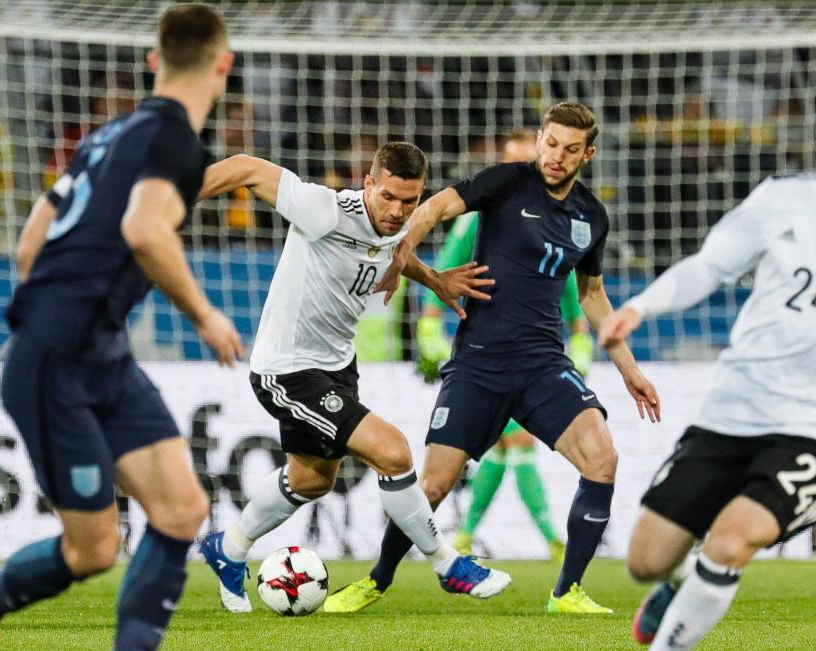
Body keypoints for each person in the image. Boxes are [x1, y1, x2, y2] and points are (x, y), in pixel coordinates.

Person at [599, 70, 816, 650]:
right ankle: (681, 584)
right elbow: (710, 266)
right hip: (733, 412)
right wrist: (640, 307)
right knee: (645, 560)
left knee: (732, 541)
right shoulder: (779, 199)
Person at [325, 101, 661, 615]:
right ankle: (377, 579)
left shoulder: (591, 216)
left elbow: (592, 295)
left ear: (586, 154)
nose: (556, 156)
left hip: (543, 366)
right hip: (479, 364)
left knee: (603, 459)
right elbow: (434, 206)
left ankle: (567, 591)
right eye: (550, 143)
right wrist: (401, 252)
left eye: (570, 149)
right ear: (541, 139)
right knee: (432, 486)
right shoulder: (506, 182)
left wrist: (630, 369)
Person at [0, 5, 242, 651]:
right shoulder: (179, 143)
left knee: (182, 509)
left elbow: (28, 247)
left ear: (154, 61)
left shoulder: (107, 135)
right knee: (93, 547)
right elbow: (144, 230)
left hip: (92, 351)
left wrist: (64, 312)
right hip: (58, 360)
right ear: (223, 64)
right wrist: (208, 316)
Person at [196, 142, 510, 613]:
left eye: (410, 201)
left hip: (338, 366)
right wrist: (175, 198)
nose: (398, 211)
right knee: (393, 451)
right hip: (288, 370)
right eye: (388, 197)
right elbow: (245, 166)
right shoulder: (324, 210)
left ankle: (229, 549)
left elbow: (392, 253)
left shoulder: (395, 225)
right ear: (368, 183)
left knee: (312, 480)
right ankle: (447, 565)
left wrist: (435, 278)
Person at [415, 128, 594, 561]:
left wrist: (580, 359)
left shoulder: (560, 229)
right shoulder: (473, 224)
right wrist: (436, 347)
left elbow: (577, 311)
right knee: (496, 451)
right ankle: (543, 539)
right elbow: (434, 302)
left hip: (533, 362)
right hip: (481, 359)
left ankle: (466, 537)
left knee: (511, 444)